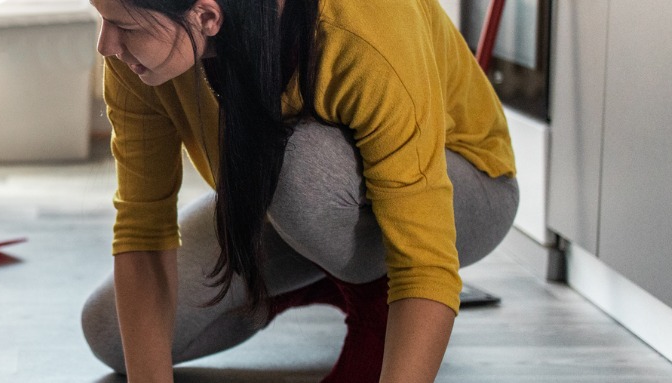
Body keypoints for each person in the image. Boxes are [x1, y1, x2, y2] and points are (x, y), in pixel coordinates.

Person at [78, 0, 519, 382]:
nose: (106, 45)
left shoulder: (363, 25)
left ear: (207, 16)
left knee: (294, 163)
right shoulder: (136, 58)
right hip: (291, 206)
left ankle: (377, 305)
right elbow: (142, 227)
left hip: (464, 189)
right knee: (112, 333)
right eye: (102, 16)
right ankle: (319, 278)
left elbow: (425, 260)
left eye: (126, 27)